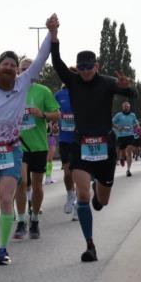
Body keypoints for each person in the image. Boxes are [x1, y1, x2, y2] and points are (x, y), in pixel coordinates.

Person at [0, 15, 57, 264]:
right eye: (4, 64)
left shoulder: (23, 82)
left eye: (12, 64)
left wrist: (52, 33)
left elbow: (42, 57)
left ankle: (2, 250)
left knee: (8, 197)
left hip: (11, 149)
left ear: (17, 70)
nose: (8, 67)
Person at [51, 32, 136, 263]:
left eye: (89, 67)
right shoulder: (73, 81)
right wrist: (54, 37)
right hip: (82, 146)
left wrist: (128, 88)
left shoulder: (108, 82)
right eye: (82, 67)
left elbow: (132, 94)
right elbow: (57, 63)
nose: (86, 71)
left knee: (102, 202)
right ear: (77, 69)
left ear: (96, 66)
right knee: (83, 195)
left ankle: (99, 194)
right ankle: (90, 245)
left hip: (105, 146)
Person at [14, 55, 60, 241]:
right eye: (22, 68)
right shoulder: (12, 91)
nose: (25, 71)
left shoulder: (43, 91)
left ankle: (34, 220)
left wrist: (42, 113)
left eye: (29, 68)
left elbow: (57, 114)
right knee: (21, 183)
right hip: (18, 145)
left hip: (39, 145)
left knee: (37, 185)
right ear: (17, 71)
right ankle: (20, 220)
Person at [55, 82, 78, 220]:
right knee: (68, 172)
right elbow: (52, 110)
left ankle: (78, 206)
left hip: (80, 139)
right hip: (65, 139)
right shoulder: (59, 95)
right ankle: (70, 194)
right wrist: (53, 123)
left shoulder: (82, 92)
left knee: (79, 173)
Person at [112, 100, 139, 177]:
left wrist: (136, 125)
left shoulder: (132, 115)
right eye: (125, 107)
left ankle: (128, 170)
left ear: (129, 107)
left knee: (129, 151)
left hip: (130, 135)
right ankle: (121, 158)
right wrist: (118, 127)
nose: (126, 108)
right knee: (122, 151)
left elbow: (135, 122)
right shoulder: (118, 115)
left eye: (127, 107)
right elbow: (112, 122)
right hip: (121, 136)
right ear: (122, 107)